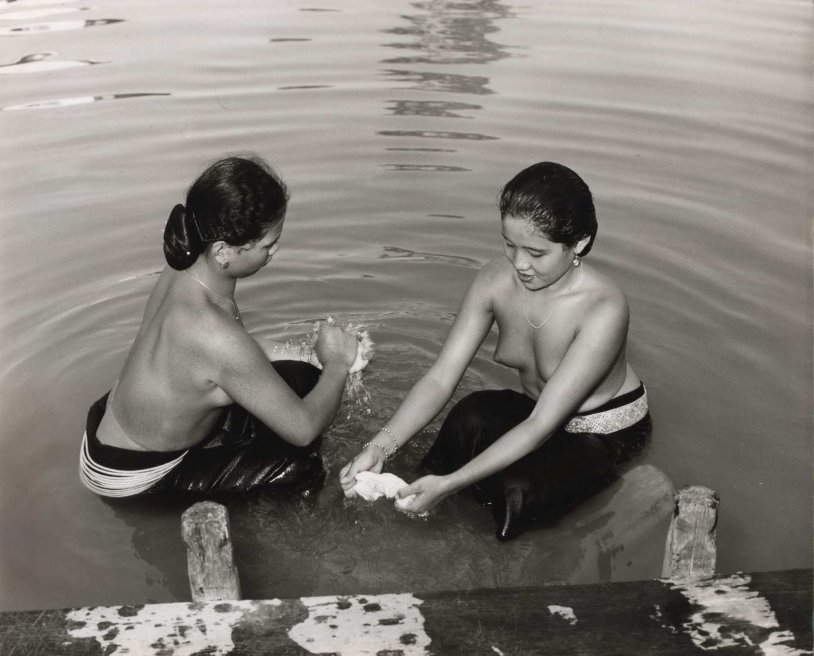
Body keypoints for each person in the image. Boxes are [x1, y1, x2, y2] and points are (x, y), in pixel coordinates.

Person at [340, 162, 651, 541]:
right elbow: (441, 378)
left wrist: (452, 484)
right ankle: (418, 497)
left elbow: (540, 426)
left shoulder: (605, 307)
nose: (520, 264)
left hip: (603, 432)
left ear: (579, 244)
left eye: (537, 253)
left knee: (516, 492)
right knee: (467, 416)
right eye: (509, 245)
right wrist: (379, 446)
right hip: (538, 413)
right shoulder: (493, 281)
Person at [80, 155, 360, 498]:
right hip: (131, 474)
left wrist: (306, 354)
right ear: (224, 251)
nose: (275, 251)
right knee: (302, 466)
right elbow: (302, 429)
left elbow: (223, 354)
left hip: (116, 425)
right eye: (267, 245)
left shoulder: (186, 268)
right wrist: (338, 364)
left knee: (301, 378)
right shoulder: (211, 331)